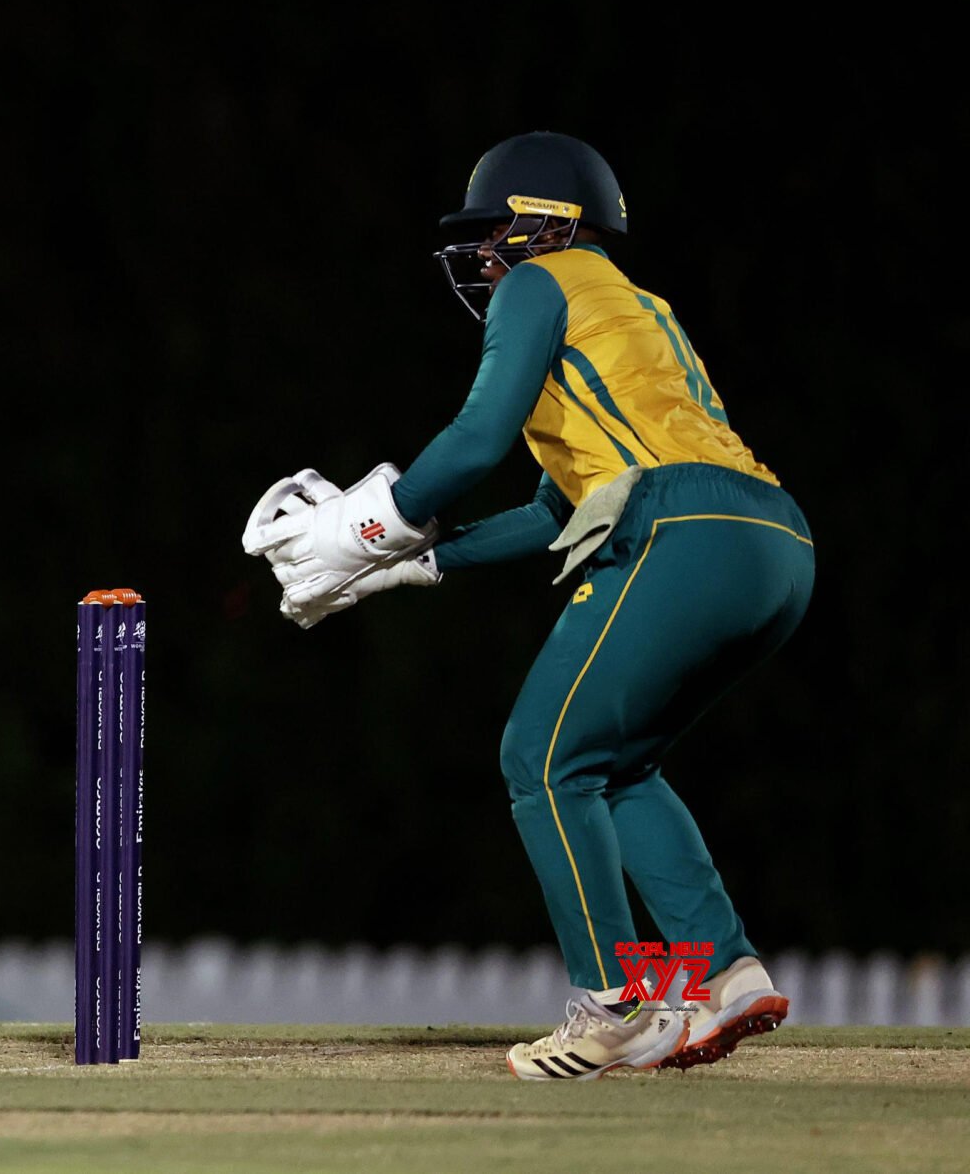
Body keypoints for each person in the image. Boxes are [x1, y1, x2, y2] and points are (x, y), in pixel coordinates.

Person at [241, 131, 811, 1082]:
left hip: (681, 529)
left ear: (546, 222)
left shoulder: (539, 284)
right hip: (773, 543)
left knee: (538, 758)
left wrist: (368, 529)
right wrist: (416, 564)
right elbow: (556, 511)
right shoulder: (635, 308)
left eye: (494, 231)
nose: (483, 255)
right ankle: (725, 971)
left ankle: (617, 1007)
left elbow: (475, 441)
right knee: (616, 764)